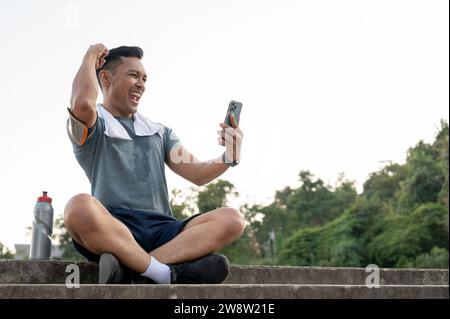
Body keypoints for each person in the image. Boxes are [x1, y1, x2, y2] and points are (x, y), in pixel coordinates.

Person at [64, 44, 245, 284]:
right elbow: (82, 105)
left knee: (232, 219)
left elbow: (198, 173)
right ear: (106, 78)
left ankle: (134, 269)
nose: (141, 84)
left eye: (144, 78)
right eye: (133, 75)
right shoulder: (94, 126)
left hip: (163, 231)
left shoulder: (160, 133)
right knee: (78, 207)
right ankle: (164, 273)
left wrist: (229, 156)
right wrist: (89, 56)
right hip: (115, 229)